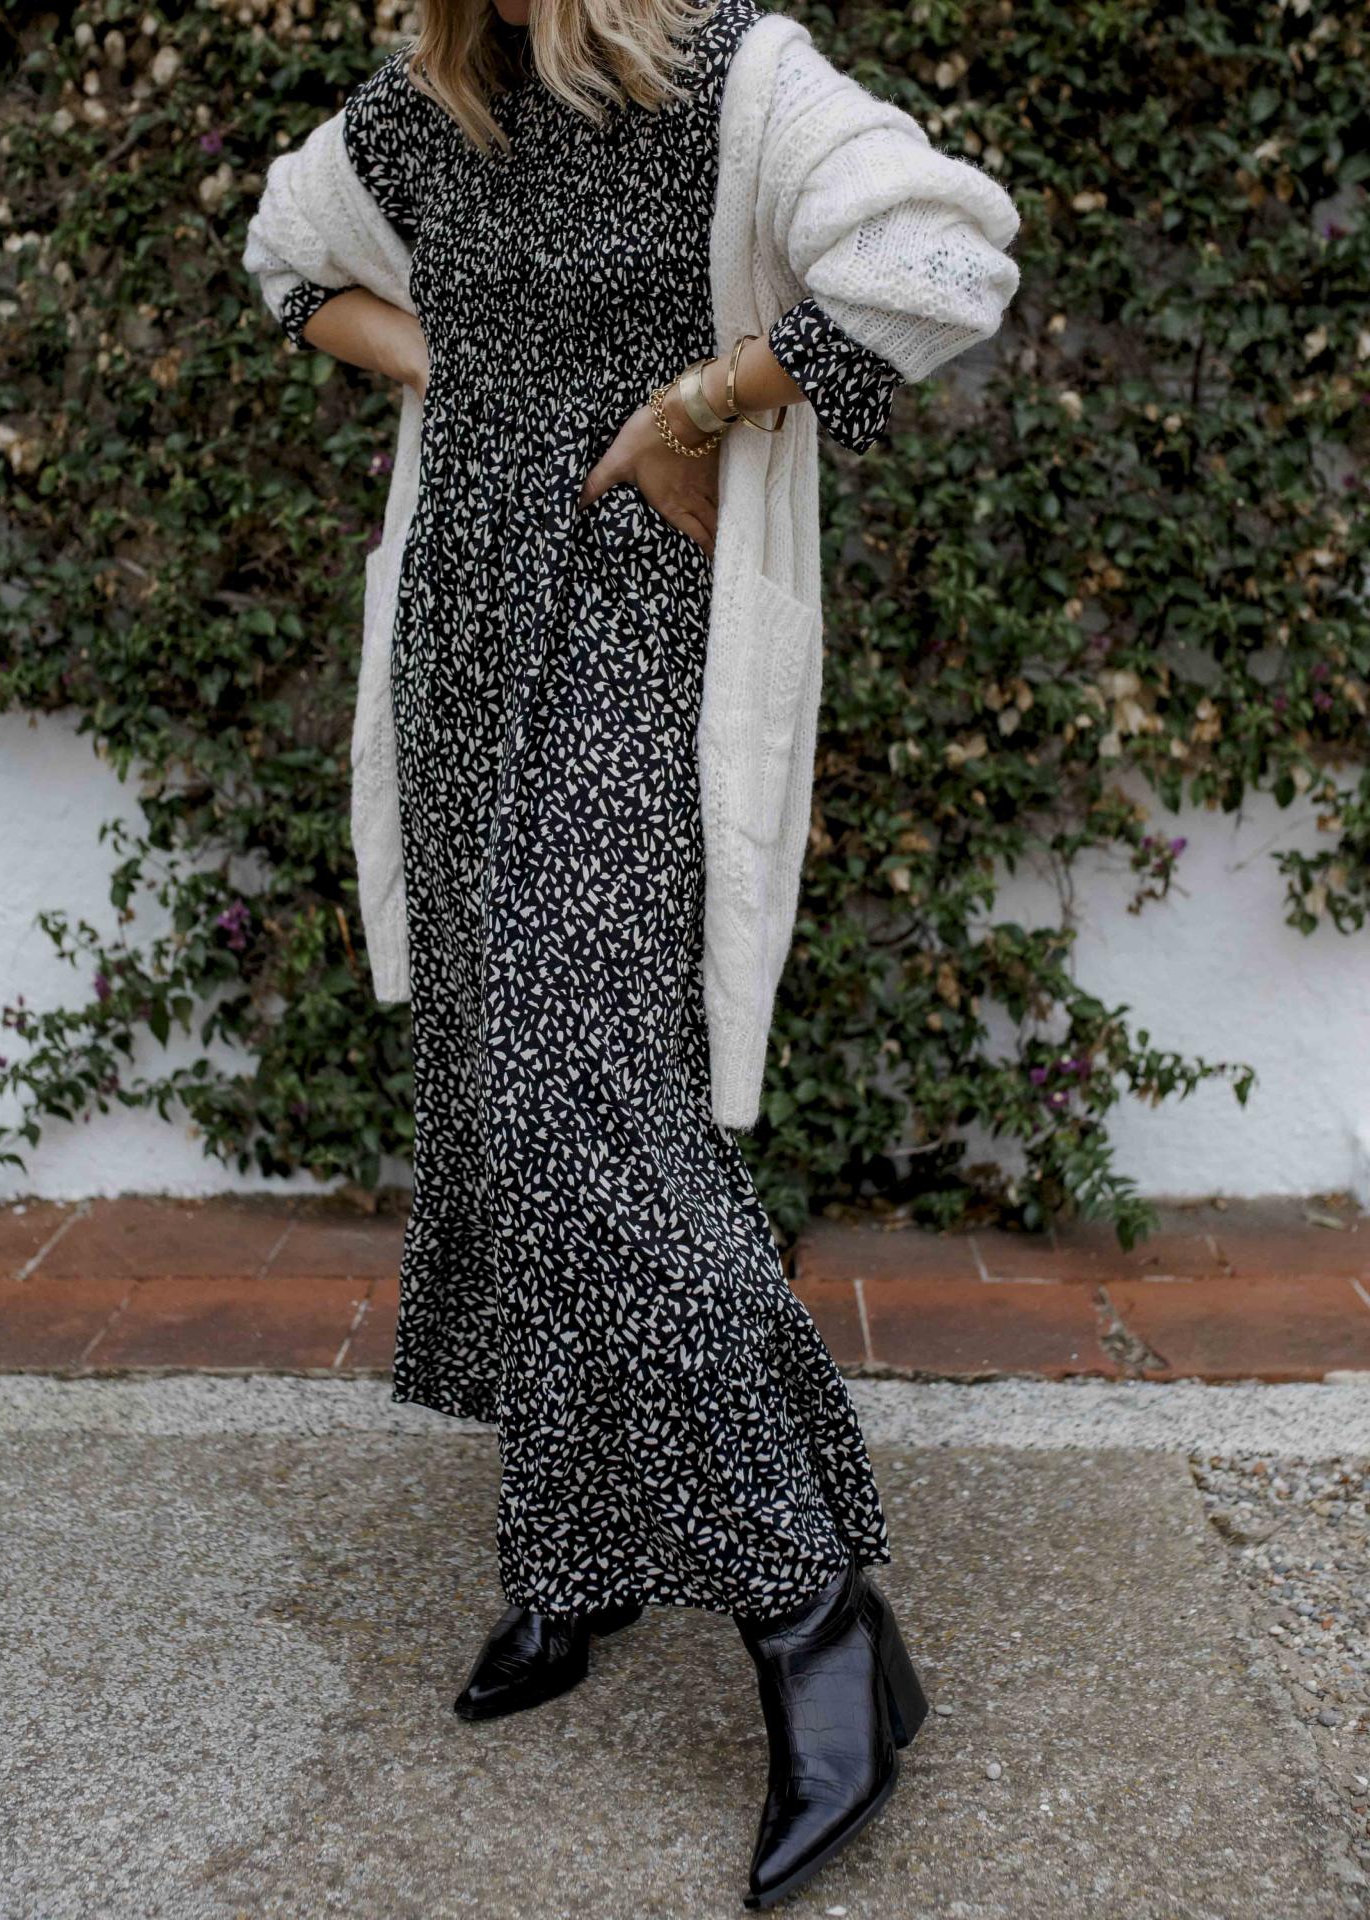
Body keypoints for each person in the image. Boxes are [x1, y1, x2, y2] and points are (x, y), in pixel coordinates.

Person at [243, 0, 1019, 1904]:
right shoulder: (433, 100)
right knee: (499, 1097)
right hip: (461, 633)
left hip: (637, 635)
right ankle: (573, 1552)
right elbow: (287, 258)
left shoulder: (735, 73)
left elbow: (941, 255)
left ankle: (813, 1610)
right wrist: (471, 372)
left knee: (582, 1098)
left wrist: (700, 401)